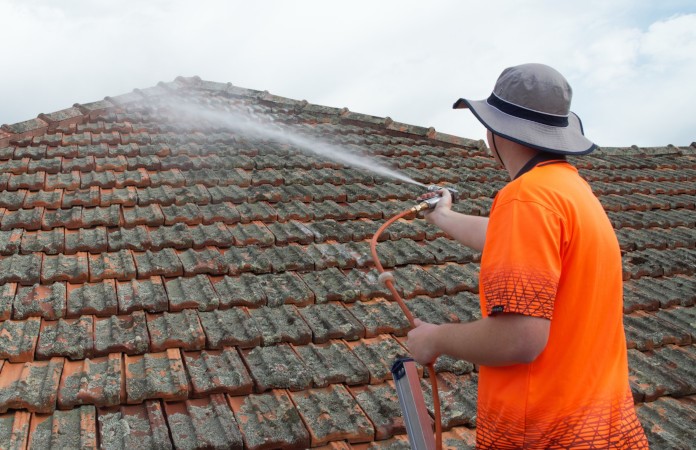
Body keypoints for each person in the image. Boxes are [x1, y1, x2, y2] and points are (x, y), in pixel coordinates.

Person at [407, 63, 648, 448]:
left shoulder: (526, 198)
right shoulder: (570, 191)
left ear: (493, 131)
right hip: (602, 429)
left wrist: (436, 338)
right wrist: (444, 215)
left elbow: (520, 340)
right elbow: (507, 239)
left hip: (545, 434)